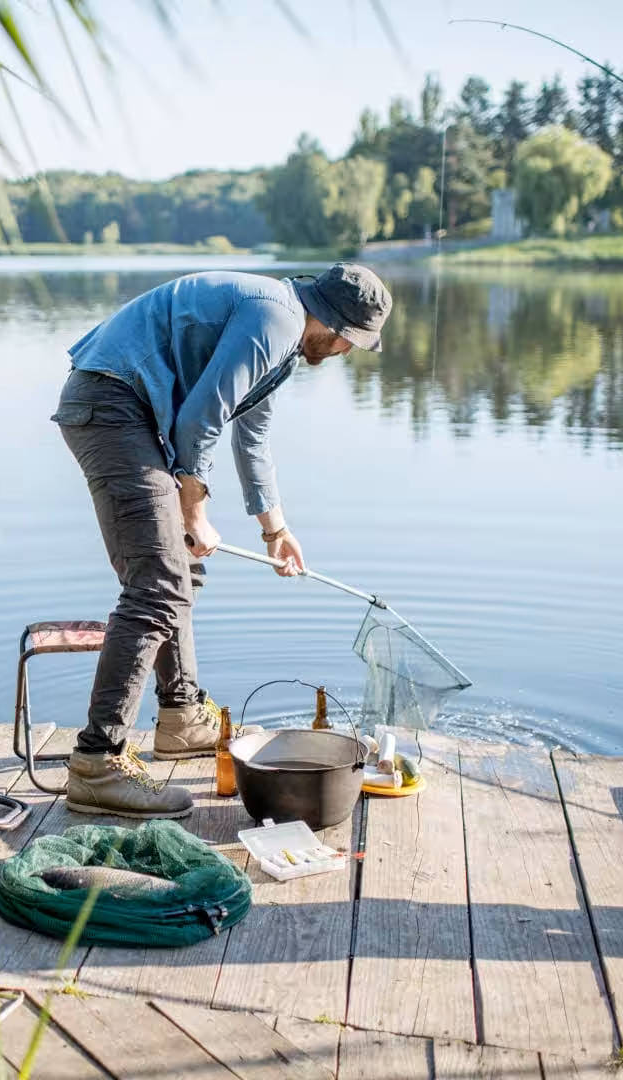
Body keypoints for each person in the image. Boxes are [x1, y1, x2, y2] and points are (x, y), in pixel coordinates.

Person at [51, 263, 393, 818]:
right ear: (334, 324)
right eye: (351, 340)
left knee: (179, 570)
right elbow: (201, 419)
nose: (346, 352)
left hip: (129, 410)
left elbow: (252, 437)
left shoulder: (282, 334)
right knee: (157, 585)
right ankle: (98, 762)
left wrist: (275, 530)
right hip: (112, 404)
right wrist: (195, 511)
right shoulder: (276, 319)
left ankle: (182, 716)